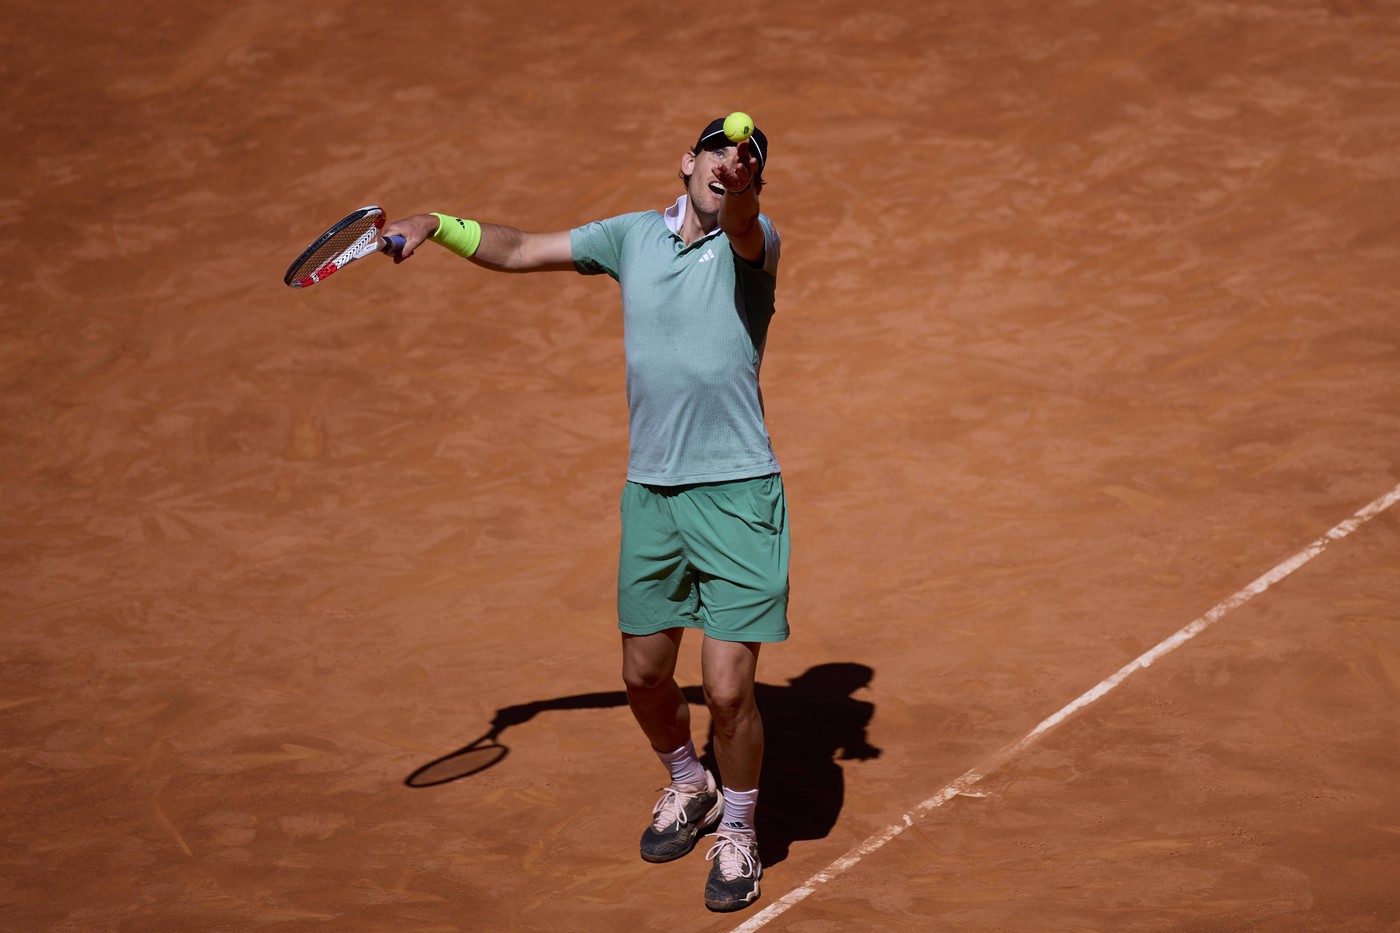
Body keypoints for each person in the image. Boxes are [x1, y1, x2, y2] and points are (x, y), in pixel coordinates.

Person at [384, 116, 789, 913]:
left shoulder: (756, 240)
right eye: (717, 151)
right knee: (642, 676)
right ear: (687, 162)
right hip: (653, 494)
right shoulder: (629, 237)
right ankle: (689, 782)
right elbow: (522, 248)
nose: (729, 166)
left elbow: (741, 222)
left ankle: (738, 830)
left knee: (730, 692)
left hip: (739, 492)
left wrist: (742, 195)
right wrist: (433, 225)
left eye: (745, 163)